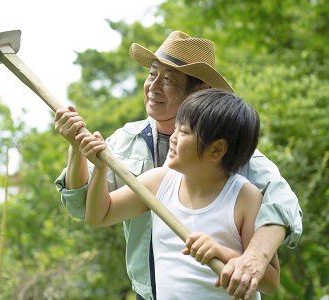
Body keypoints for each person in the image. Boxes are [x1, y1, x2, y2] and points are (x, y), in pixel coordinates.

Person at [54, 31, 302, 300]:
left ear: (200, 90)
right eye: (152, 74)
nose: (154, 86)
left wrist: (249, 258)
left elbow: (285, 207)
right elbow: (83, 206)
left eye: (169, 79)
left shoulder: (237, 156)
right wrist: (76, 149)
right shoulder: (126, 143)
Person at [77, 89, 279, 299]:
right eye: (175, 129)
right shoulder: (159, 182)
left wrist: (223, 253)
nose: (172, 138)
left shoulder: (245, 197)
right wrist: (100, 170)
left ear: (217, 149)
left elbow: (270, 282)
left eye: (183, 132)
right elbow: (99, 215)